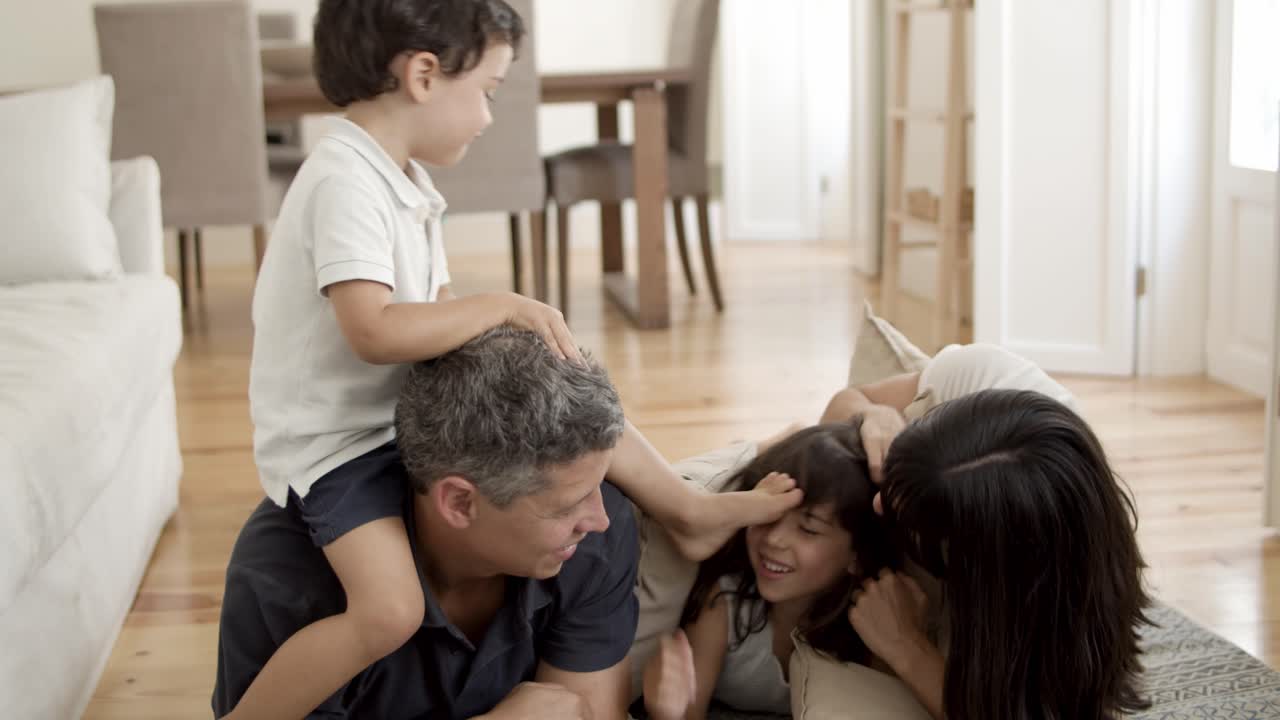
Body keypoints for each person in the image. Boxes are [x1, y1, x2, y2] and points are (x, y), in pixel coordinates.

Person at [230, 1, 800, 717]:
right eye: (489, 91)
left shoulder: (405, 184)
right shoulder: (343, 178)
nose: (490, 116)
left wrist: (526, 350)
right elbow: (372, 330)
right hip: (336, 450)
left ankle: (687, 507)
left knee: (567, 401)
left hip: (386, 419)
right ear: (424, 75)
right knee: (389, 611)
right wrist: (502, 304)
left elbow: (436, 321)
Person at [217, 327, 635, 719]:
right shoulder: (286, 578)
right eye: (566, 506)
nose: (598, 519)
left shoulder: (593, 535)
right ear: (458, 501)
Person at [830, 348, 1151, 719]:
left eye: (905, 516)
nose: (877, 506)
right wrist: (872, 415)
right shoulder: (977, 375)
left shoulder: (1057, 590)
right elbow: (848, 401)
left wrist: (907, 646)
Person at [640, 422, 898, 720]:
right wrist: (668, 710)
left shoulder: (873, 619)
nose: (774, 539)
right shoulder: (726, 601)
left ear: (858, 555)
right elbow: (689, 713)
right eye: (768, 516)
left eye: (808, 529)